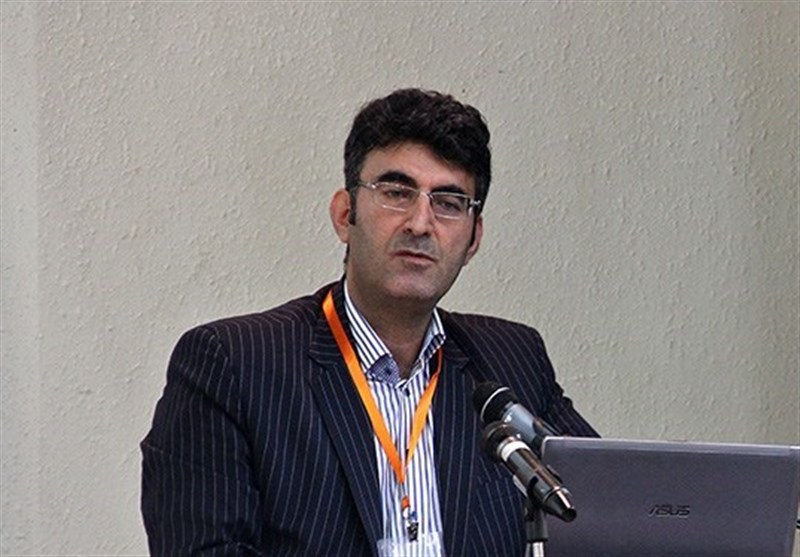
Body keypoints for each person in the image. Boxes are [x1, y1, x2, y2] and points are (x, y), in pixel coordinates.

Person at [141, 88, 597, 556]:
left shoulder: (511, 359)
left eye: (448, 202)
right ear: (345, 215)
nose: (420, 223)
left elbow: (612, 512)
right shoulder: (234, 363)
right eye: (397, 193)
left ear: (473, 238)